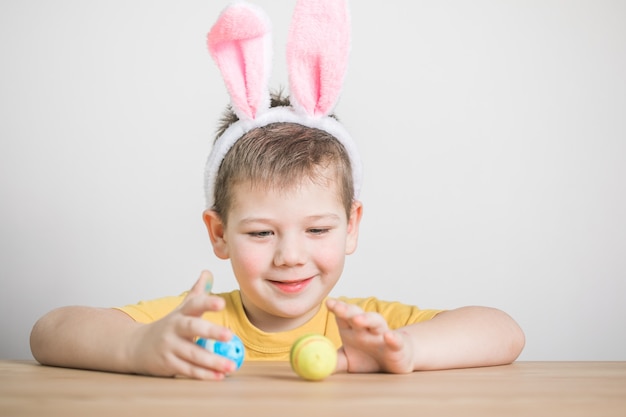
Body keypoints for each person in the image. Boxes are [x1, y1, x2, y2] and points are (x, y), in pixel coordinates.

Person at [30, 0, 525, 381]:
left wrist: (407, 351)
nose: (291, 255)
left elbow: (505, 332)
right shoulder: (196, 325)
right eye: (262, 232)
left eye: (316, 228)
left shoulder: (366, 329)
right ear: (219, 233)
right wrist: (139, 349)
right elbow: (48, 332)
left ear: (351, 226)